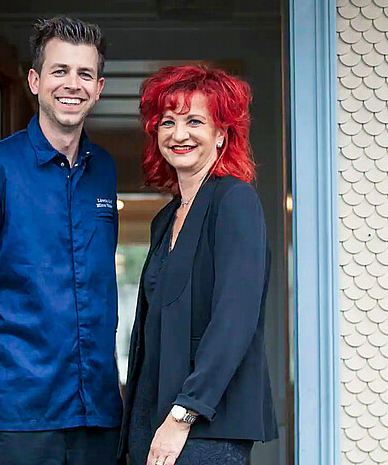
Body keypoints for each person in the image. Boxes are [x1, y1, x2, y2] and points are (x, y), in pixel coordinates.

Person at [0, 16, 122, 465]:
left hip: (98, 417)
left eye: (84, 74)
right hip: (18, 420)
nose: (72, 84)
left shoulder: (104, 170)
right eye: (60, 71)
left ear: (98, 88)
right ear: (36, 81)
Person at [119, 65, 278, 465]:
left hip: (204, 423)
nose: (179, 134)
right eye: (167, 122)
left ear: (222, 133)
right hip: (151, 418)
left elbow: (234, 320)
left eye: (194, 121)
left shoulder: (235, 201)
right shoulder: (165, 219)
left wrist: (184, 413)